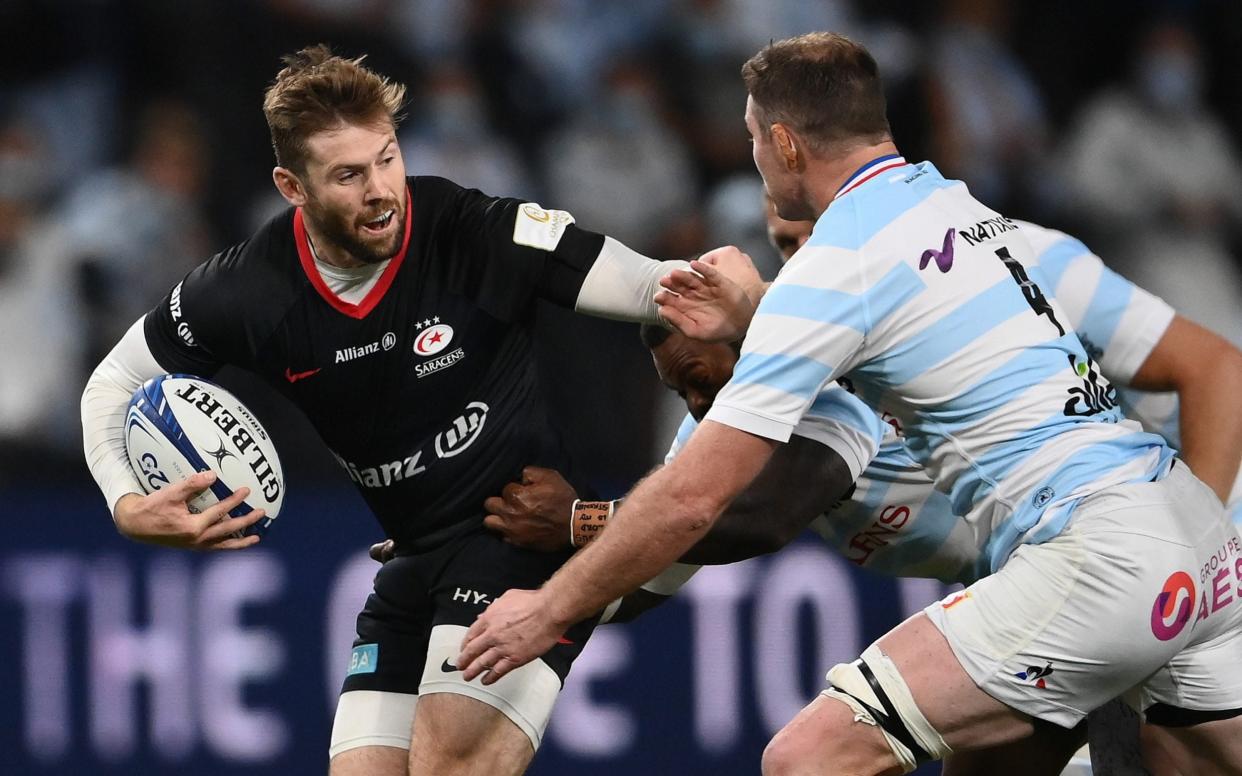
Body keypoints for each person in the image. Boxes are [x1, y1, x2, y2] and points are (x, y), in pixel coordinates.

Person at [458, 32, 1242, 775]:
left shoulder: (838, 266)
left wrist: (543, 608)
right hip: (1191, 531)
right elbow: (886, 312)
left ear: (786, 145)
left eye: (756, 138)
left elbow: (702, 499)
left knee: (809, 756)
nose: (756, 157)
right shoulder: (955, 205)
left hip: (1091, 552)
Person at [79, 45, 692, 776]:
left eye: (387, 159)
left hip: (520, 539)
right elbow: (110, 386)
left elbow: (667, 289)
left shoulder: (470, 231)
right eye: (347, 174)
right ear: (291, 185)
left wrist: (788, 319)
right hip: (413, 561)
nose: (381, 191)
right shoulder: (249, 291)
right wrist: (126, 504)